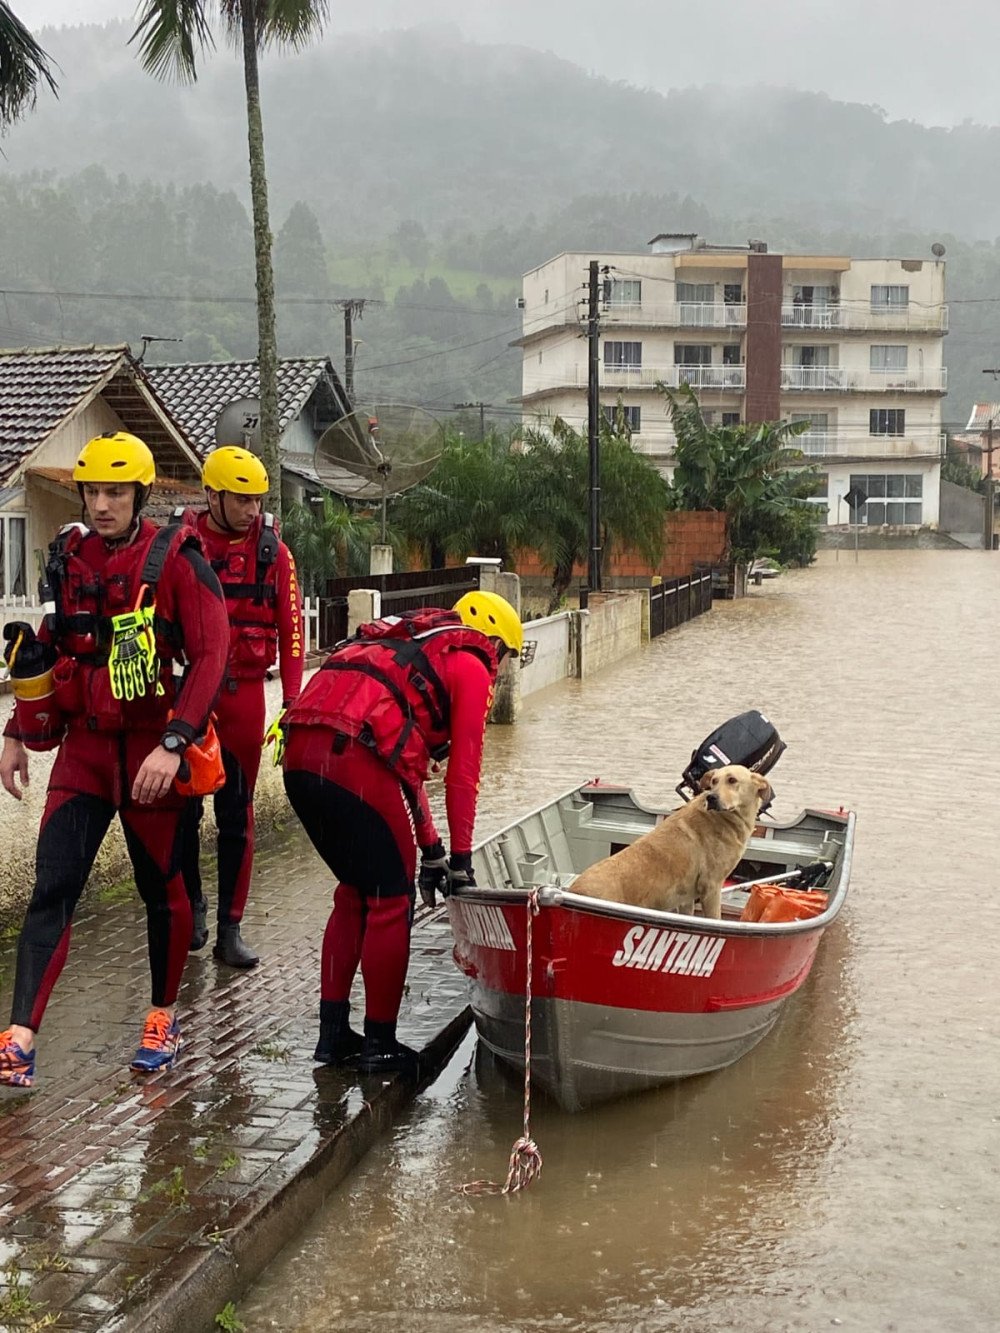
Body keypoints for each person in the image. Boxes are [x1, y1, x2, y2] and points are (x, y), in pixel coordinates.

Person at [0, 432, 230, 1088]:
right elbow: (51, 643)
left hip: (154, 752)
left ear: (140, 493)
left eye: (115, 492)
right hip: (87, 752)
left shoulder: (179, 559)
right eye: (93, 492)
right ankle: (20, 1039)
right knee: (52, 887)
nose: (101, 505)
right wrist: (16, 729)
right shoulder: (70, 558)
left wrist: (175, 742)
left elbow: (212, 654)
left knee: (164, 891)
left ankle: (163, 1017)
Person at [281, 591, 524, 1074]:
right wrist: (461, 861)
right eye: (508, 655)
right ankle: (380, 1043)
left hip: (299, 757)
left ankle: (333, 1035)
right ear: (494, 641)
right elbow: (464, 775)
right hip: (352, 759)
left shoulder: (404, 646)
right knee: (390, 901)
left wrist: (431, 849)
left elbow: (403, 763)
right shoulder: (471, 662)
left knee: (354, 891)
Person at [179, 446, 303, 968]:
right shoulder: (180, 547)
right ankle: (193, 907)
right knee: (181, 813)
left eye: (258, 500)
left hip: (245, 697)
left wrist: (292, 704)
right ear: (212, 496)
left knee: (237, 815)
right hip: (188, 696)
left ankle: (230, 929)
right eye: (241, 499)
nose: (252, 510)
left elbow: (292, 634)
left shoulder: (275, 553)